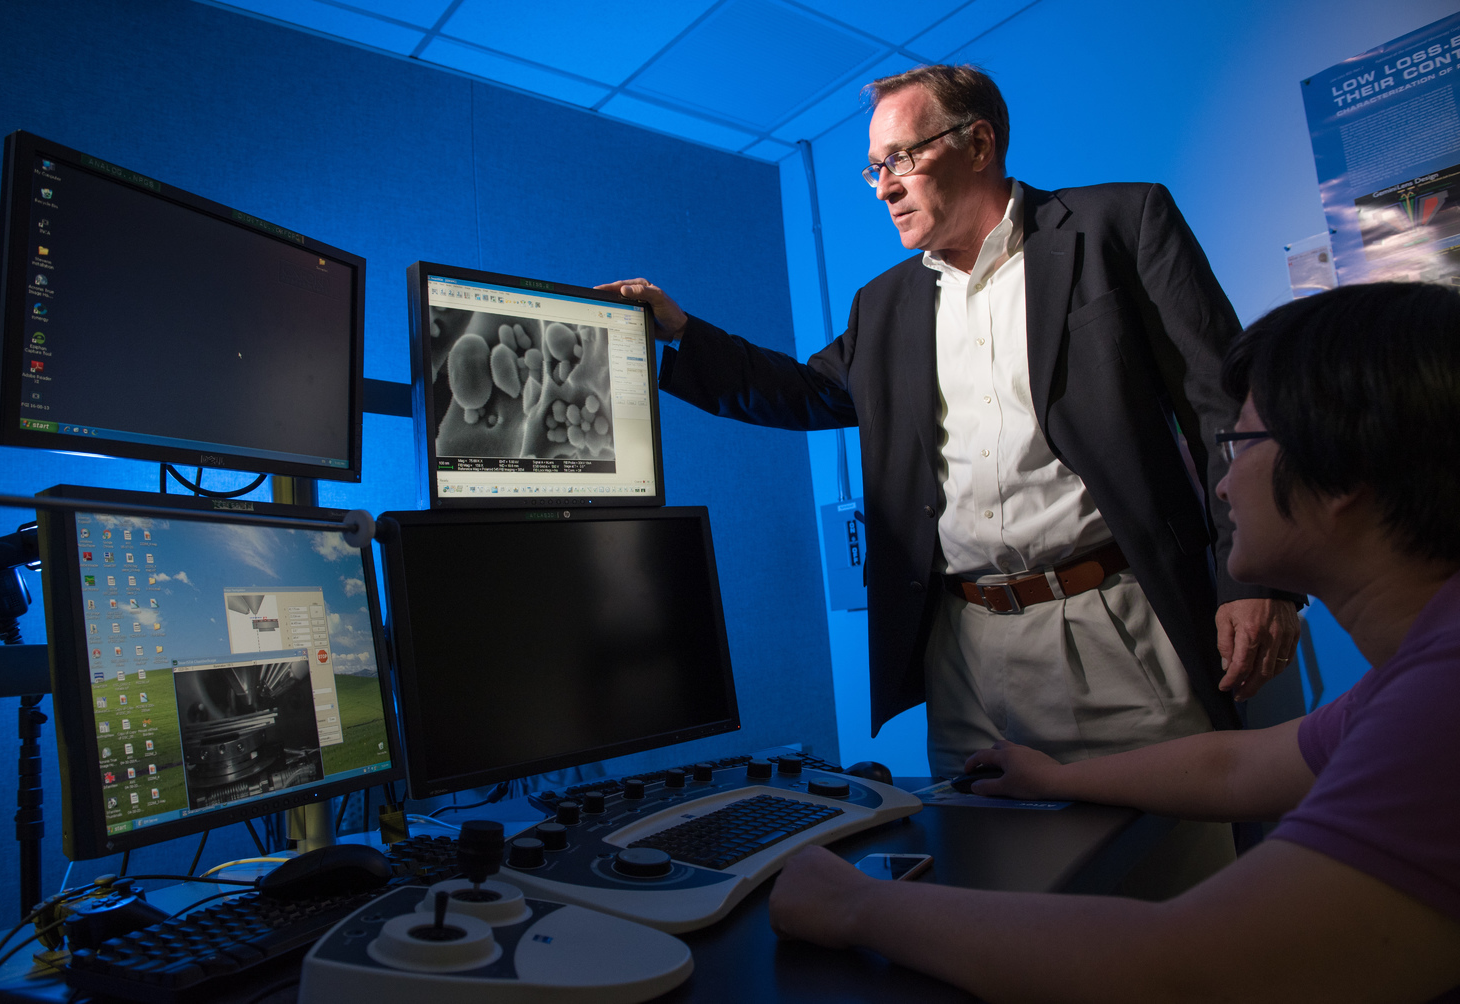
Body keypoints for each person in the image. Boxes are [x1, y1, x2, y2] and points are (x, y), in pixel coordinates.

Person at [767, 281, 1460, 1002]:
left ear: (1343, 470)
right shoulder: (1423, 672)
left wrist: (857, 905)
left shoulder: (1442, 704)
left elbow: (1186, 963)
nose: (1220, 486)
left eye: (1242, 441)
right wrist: (1059, 779)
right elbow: (1237, 767)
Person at [600, 64, 1299, 776]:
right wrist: (681, 331)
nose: (884, 187)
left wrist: (1259, 581)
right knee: (987, 871)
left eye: (899, 159)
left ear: (979, 142)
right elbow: (808, 392)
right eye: (873, 170)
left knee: (1164, 866)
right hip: (963, 654)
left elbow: (1229, 405)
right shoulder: (885, 304)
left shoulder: (1119, 225)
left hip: (1115, 622)